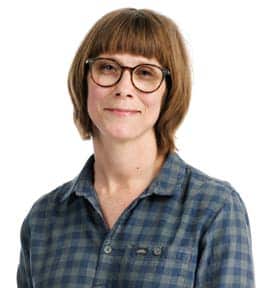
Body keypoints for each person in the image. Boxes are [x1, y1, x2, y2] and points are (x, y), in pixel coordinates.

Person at [17, 7, 255, 288]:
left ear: (170, 90)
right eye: (107, 68)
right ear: (84, 80)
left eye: (145, 73)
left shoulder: (214, 208)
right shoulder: (44, 218)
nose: (124, 88)